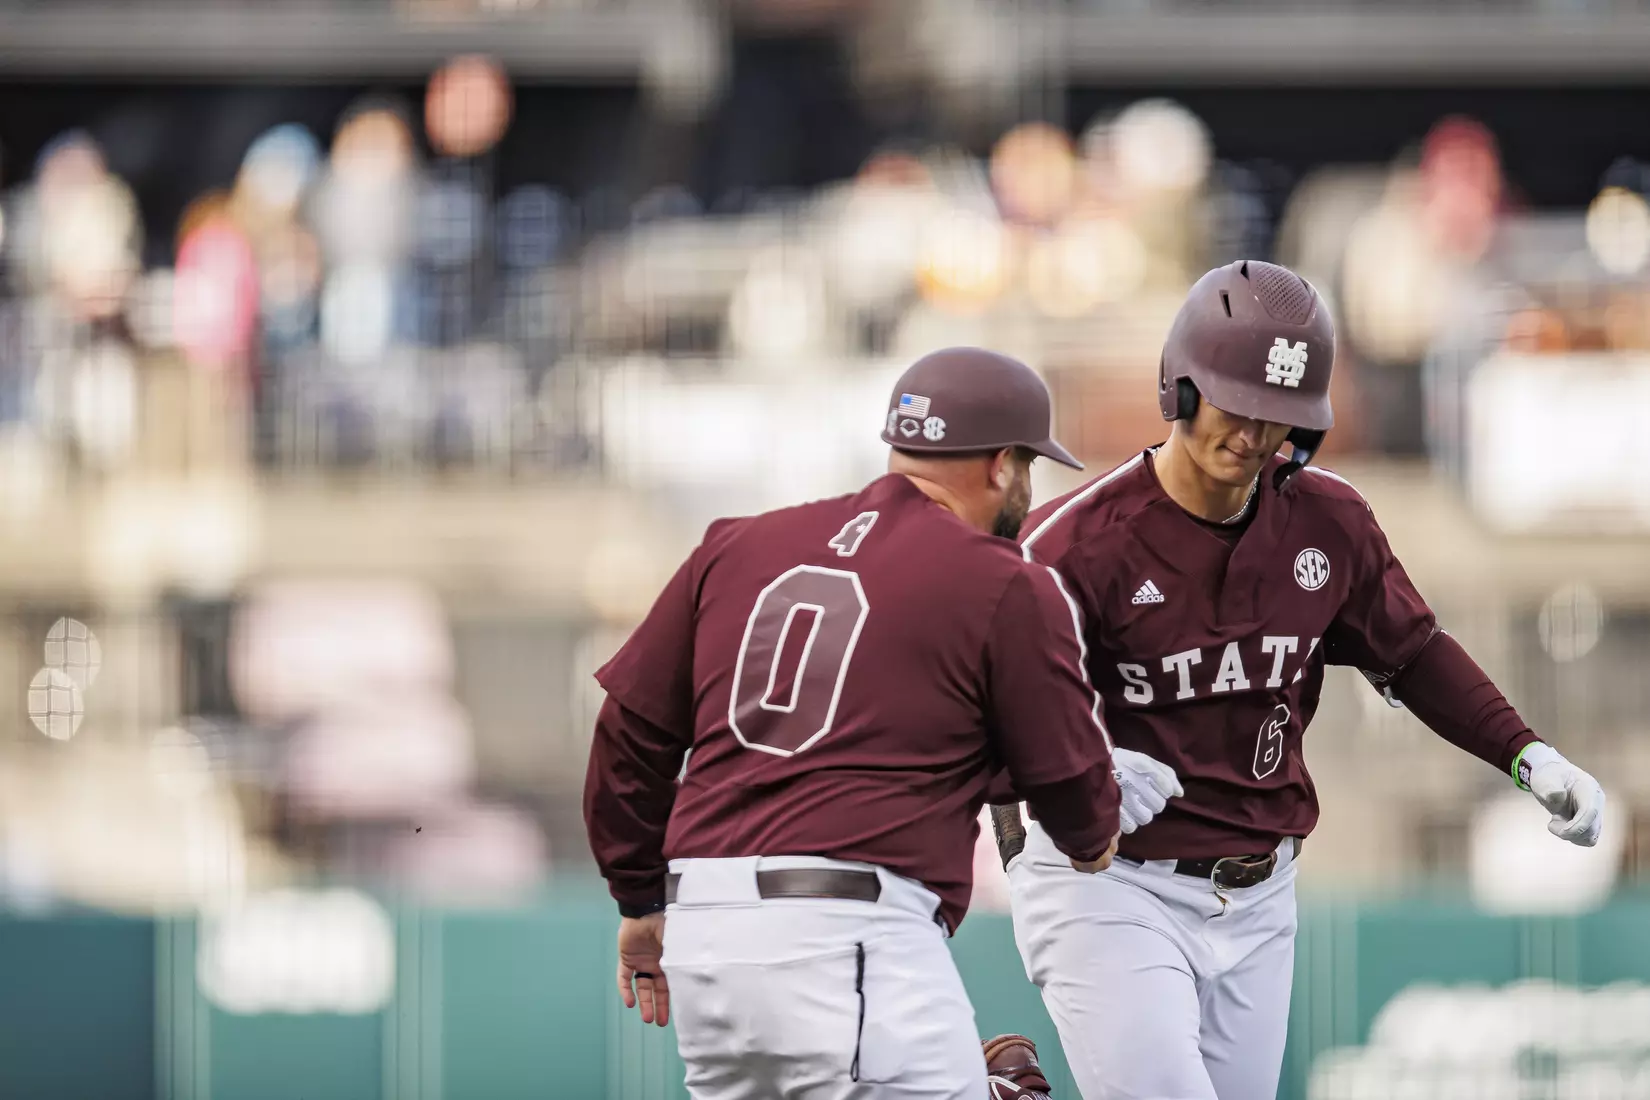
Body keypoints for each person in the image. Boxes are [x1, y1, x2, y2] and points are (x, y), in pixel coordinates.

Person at [1000, 260, 1607, 1100]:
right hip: (1111, 882)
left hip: (1261, 889)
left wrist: (1526, 754)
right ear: (1180, 386)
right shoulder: (1072, 544)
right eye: (1236, 403)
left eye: (1278, 416)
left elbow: (1414, 652)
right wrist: (1071, 777)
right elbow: (980, 708)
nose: (1253, 435)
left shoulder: (1331, 519)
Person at [584, 346, 1123, 1099]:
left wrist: (639, 901)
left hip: (706, 940)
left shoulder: (736, 544)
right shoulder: (1006, 581)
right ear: (1002, 464)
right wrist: (1098, 831)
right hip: (849, 932)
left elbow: (628, 736)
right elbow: (1070, 793)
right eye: (1028, 468)